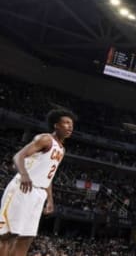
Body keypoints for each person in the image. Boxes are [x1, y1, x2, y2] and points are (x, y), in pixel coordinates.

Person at [0, 108, 76, 256]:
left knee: (26, 237)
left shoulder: (62, 149)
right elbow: (18, 156)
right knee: (7, 234)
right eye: (66, 123)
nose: (70, 127)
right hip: (23, 188)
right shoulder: (45, 139)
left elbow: (49, 177)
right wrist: (24, 175)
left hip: (39, 194)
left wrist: (50, 200)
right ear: (56, 125)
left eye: (71, 124)